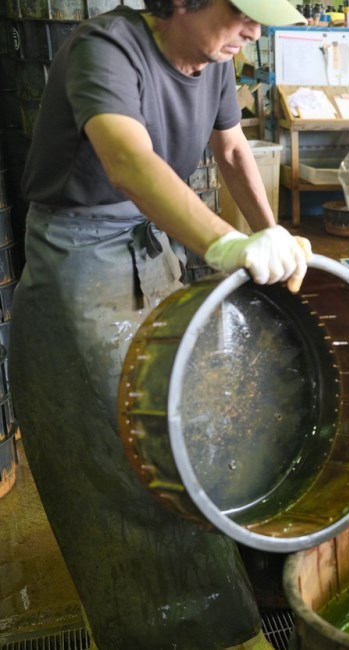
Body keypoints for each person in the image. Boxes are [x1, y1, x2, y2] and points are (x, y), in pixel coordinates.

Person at [9, 1, 312, 648]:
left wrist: (269, 229)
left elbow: (231, 149)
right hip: (80, 251)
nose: (255, 31)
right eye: (242, 12)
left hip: (156, 241)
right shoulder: (107, 48)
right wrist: (226, 244)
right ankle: (162, 629)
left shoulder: (216, 56)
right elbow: (127, 158)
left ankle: (225, 601)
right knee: (128, 449)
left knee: (188, 426)